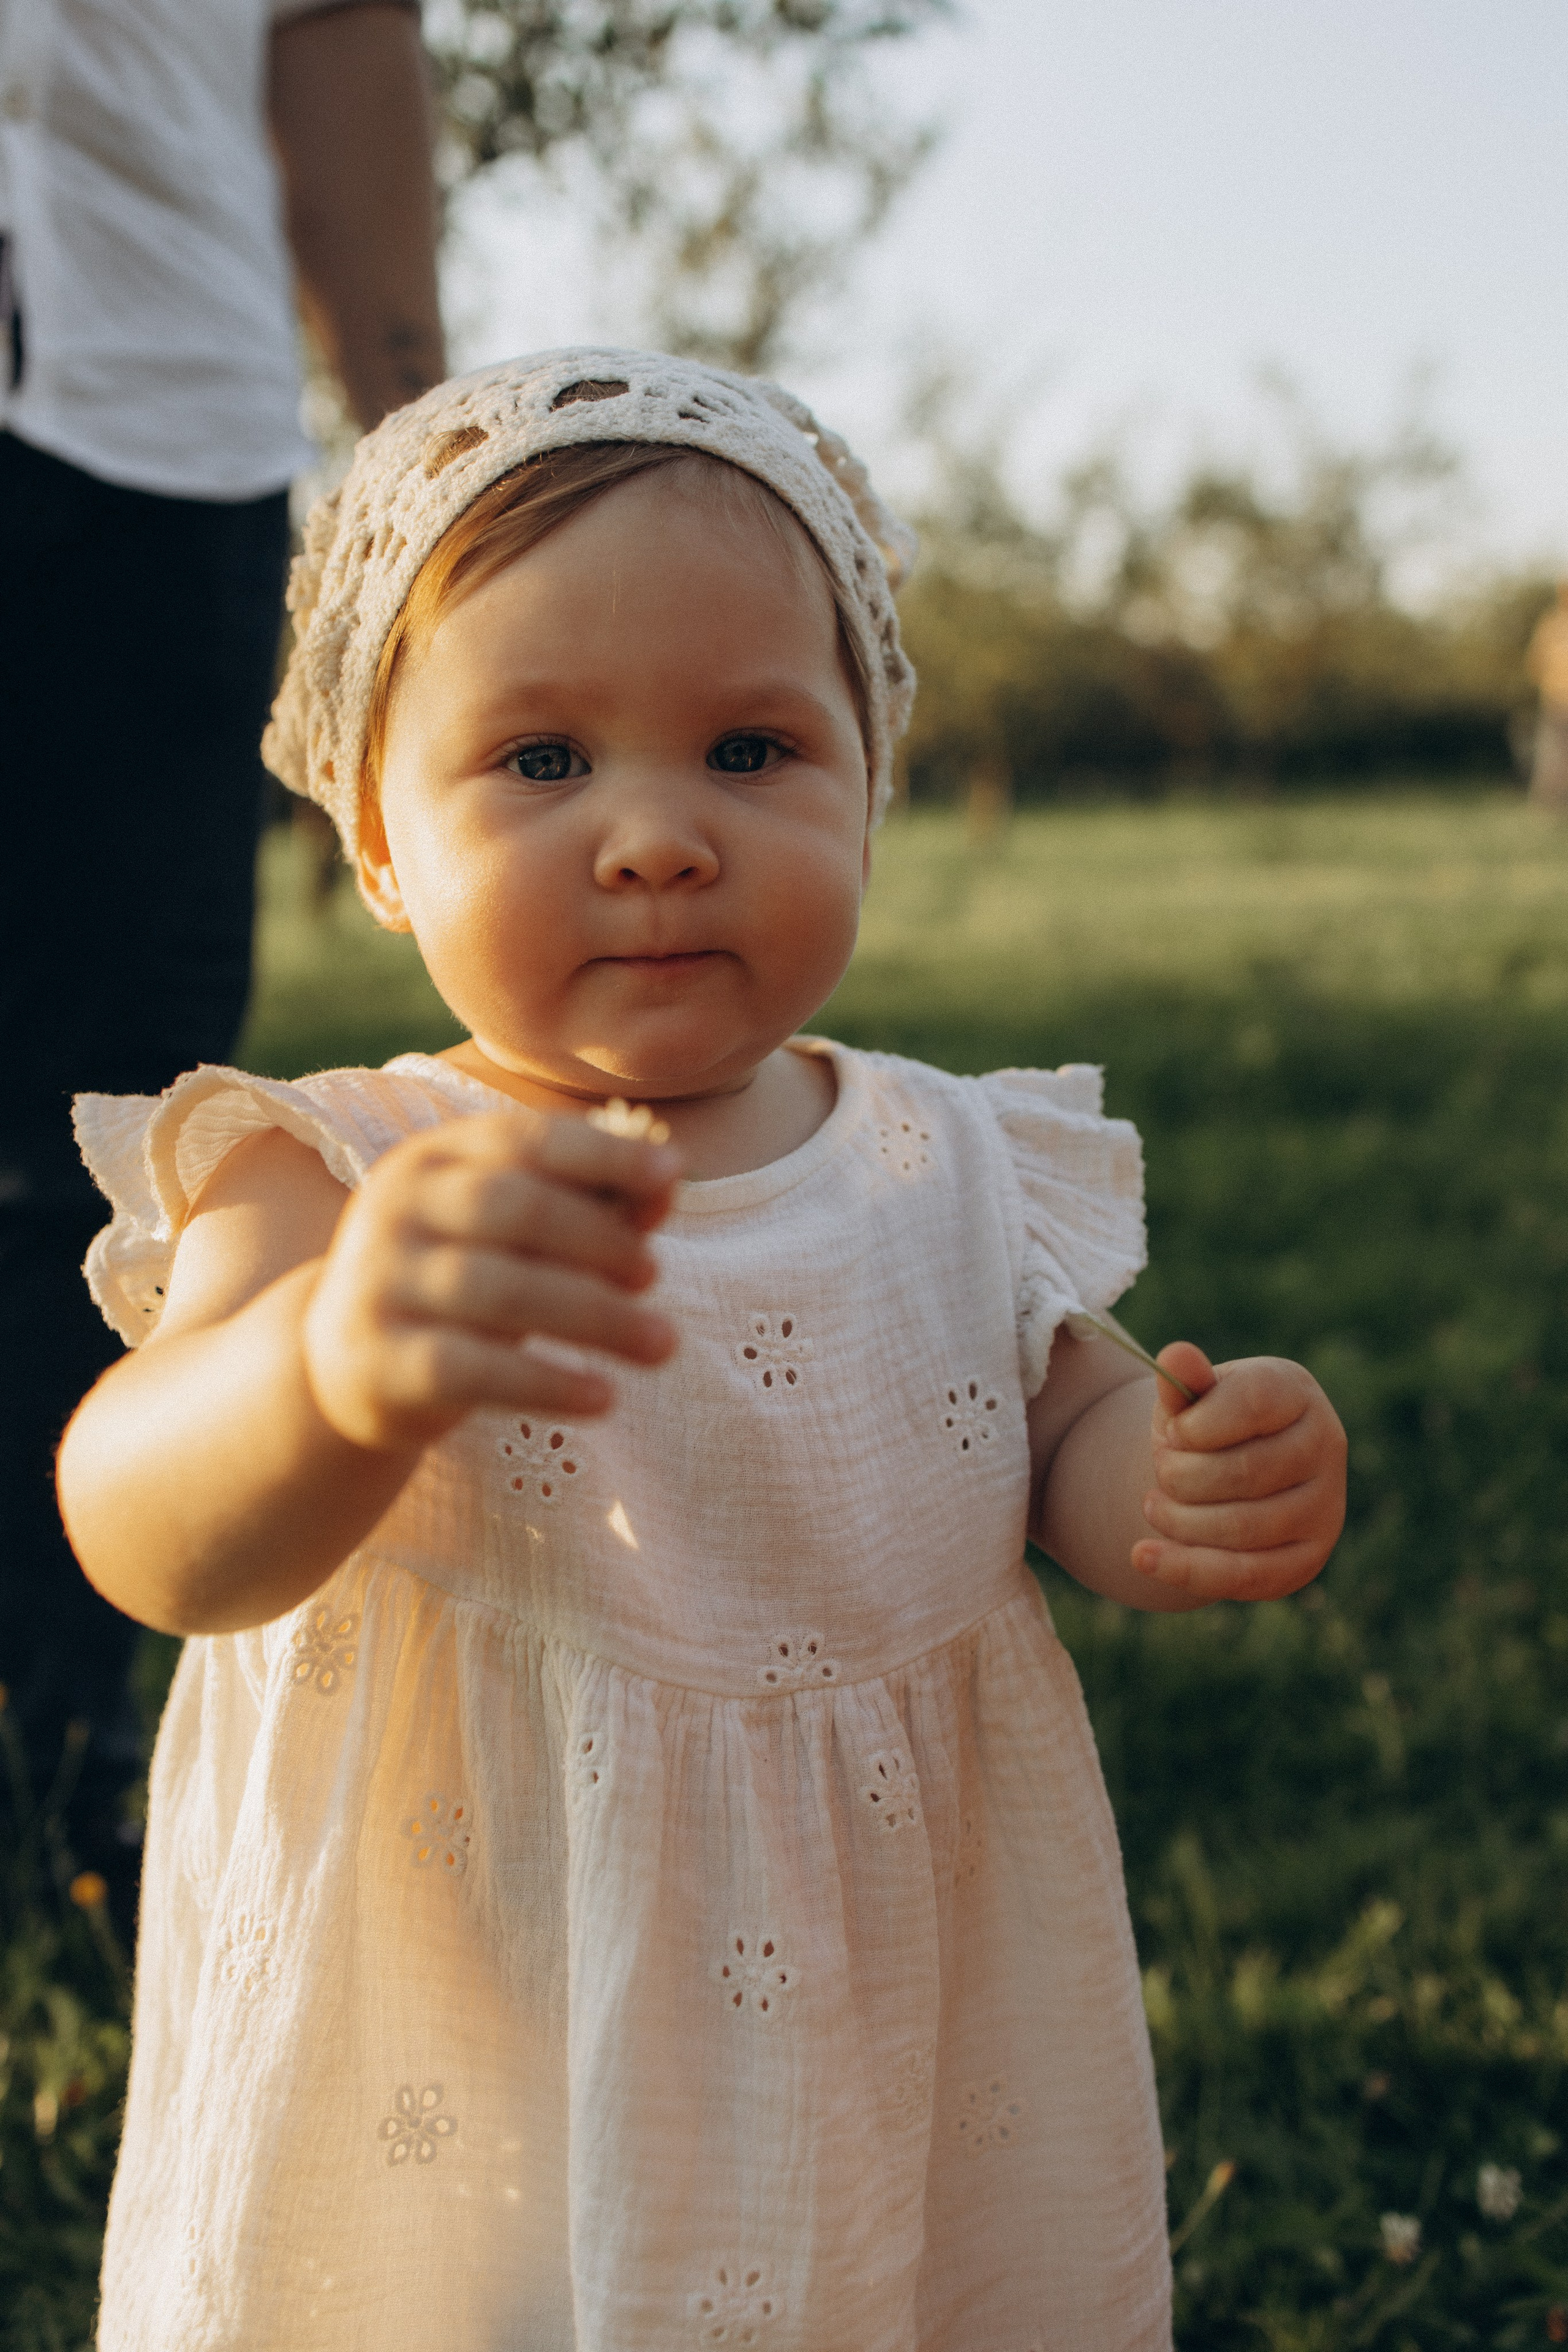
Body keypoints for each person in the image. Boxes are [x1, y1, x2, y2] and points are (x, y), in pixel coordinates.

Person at [57, 350, 1347, 2350]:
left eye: (751, 751)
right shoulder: (336, 1174)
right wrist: (325, 1367)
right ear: (379, 840)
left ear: (870, 788)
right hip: (477, 2009)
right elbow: (146, 1525)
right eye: (541, 760)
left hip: (872, 1986)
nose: (655, 835)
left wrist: (1169, 1476)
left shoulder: (943, 1156)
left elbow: (1054, 1419)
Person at [0, 0, 445, 1932]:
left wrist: (422, 472)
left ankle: (59, 1730)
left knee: (104, 1126)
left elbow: (340, 33)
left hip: (154, 421)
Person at [1527, 582, 1568, 812]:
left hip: (1555, 697)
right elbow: (1535, 663)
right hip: (1555, 700)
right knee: (1552, 755)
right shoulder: (1549, 625)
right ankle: (1550, 804)